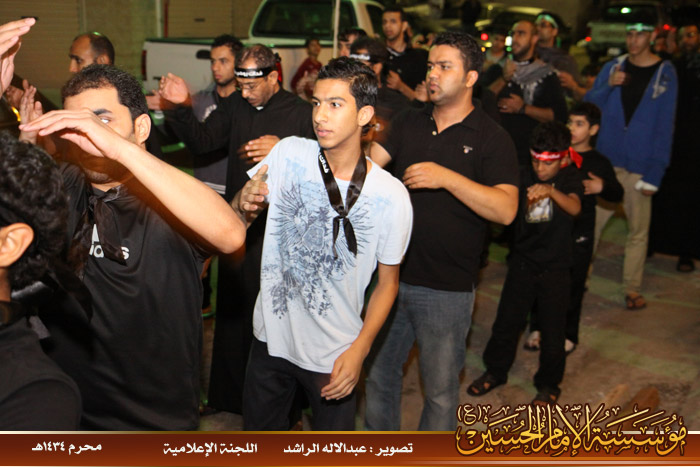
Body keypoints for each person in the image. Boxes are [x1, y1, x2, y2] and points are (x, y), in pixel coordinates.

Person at [19, 64, 246, 430]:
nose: (90, 135)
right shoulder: (64, 184)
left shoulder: (170, 199)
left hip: (152, 419)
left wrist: (119, 149)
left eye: (102, 120)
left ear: (141, 128)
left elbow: (231, 234)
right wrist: (28, 144)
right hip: (66, 408)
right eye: (78, 125)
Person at [235, 57, 413, 430]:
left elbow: (388, 284)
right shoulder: (288, 153)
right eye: (316, 103)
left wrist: (360, 350)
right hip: (270, 339)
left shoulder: (391, 195)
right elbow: (239, 217)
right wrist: (243, 202)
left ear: (364, 115)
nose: (320, 115)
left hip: (334, 353)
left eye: (335, 104)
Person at [365, 31, 519, 431]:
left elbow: (506, 210)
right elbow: (364, 172)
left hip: (446, 288)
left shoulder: (491, 137)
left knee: (439, 392)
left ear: (470, 78)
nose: (432, 74)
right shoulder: (408, 121)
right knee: (378, 377)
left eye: (444, 67)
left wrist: (446, 178)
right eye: (431, 65)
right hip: (390, 277)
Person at [157, 44, 315, 414]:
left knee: (277, 321)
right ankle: (228, 399)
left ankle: (285, 409)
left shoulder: (300, 113)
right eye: (241, 85)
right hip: (239, 227)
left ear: (274, 77)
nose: (245, 93)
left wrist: (287, 147)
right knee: (233, 314)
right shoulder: (235, 106)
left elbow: (327, 162)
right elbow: (202, 142)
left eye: (252, 86)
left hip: (282, 236)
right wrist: (178, 107)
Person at [469, 121, 582, 405]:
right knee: (507, 323)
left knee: (553, 331)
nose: (540, 169)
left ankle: (549, 384)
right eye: (535, 161)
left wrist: (550, 191)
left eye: (547, 164)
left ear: (562, 159)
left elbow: (575, 207)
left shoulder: (569, 178)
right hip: (522, 262)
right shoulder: (522, 174)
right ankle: (495, 371)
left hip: (556, 267)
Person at [585, 22, 677, 310]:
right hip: (607, 163)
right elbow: (588, 107)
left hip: (639, 167)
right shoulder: (613, 67)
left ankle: (632, 288)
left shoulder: (665, 74)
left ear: (652, 36)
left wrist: (655, 172)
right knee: (591, 226)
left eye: (640, 34)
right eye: (630, 34)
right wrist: (607, 85)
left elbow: (665, 126)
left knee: (637, 232)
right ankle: (579, 277)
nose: (633, 40)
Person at [525, 103, 623, 354]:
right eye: (570, 122)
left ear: (593, 130)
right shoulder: (553, 153)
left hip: (580, 232)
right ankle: (537, 327)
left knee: (574, 283)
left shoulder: (599, 162)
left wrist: (602, 187)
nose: (572, 128)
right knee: (540, 278)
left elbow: (617, 193)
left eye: (580, 124)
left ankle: (568, 333)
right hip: (549, 228)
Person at [649, 23, 700, 273]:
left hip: (695, 146)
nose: (687, 40)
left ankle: (686, 252)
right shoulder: (671, 66)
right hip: (671, 141)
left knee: (692, 199)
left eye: (691, 35)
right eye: (683, 36)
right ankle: (654, 243)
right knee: (663, 194)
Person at [489, 20, 567, 166]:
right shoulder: (498, 69)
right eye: (513, 34)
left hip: (527, 157)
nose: (515, 38)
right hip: (494, 150)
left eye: (521, 33)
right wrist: (504, 79)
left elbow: (559, 116)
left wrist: (523, 108)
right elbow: (480, 102)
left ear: (534, 38)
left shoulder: (546, 75)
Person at [349, 36, 409, 146]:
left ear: (377, 67)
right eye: (352, 63)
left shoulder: (396, 104)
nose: (354, 69)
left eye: (360, 63)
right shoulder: (344, 97)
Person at [382, 7, 429, 101]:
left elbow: (422, 100)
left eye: (393, 21)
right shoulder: (378, 54)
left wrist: (401, 87)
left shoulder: (418, 58)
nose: (387, 26)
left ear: (404, 26)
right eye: (384, 22)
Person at [535, 13, 581, 95]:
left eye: (543, 26)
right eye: (536, 25)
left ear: (554, 31)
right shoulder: (527, 53)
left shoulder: (565, 59)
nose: (538, 29)